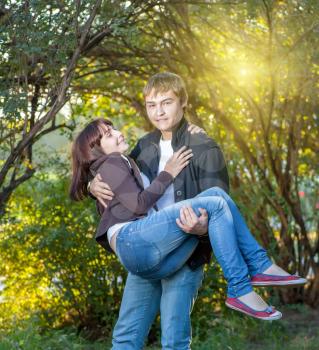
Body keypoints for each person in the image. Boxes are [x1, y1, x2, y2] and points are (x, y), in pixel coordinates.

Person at [85, 73, 305, 349]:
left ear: (183, 102)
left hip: (185, 253)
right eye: (152, 105)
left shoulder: (203, 146)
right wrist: (92, 185)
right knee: (127, 335)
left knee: (175, 340)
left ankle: (254, 273)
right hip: (147, 243)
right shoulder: (142, 147)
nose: (159, 111)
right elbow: (118, 188)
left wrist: (201, 230)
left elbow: (220, 212)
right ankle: (254, 272)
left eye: (166, 102)